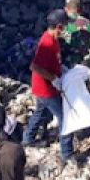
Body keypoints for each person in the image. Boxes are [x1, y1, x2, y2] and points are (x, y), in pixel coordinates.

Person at [23, 10, 68, 155]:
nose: (65, 30)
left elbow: (52, 61)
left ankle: (27, 139)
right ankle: (67, 153)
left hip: (42, 87)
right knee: (64, 117)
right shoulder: (47, 43)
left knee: (40, 112)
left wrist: (61, 69)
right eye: (64, 27)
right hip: (46, 89)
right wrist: (54, 79)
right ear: (59, 26)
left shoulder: (53, 39)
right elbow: (34, 66)